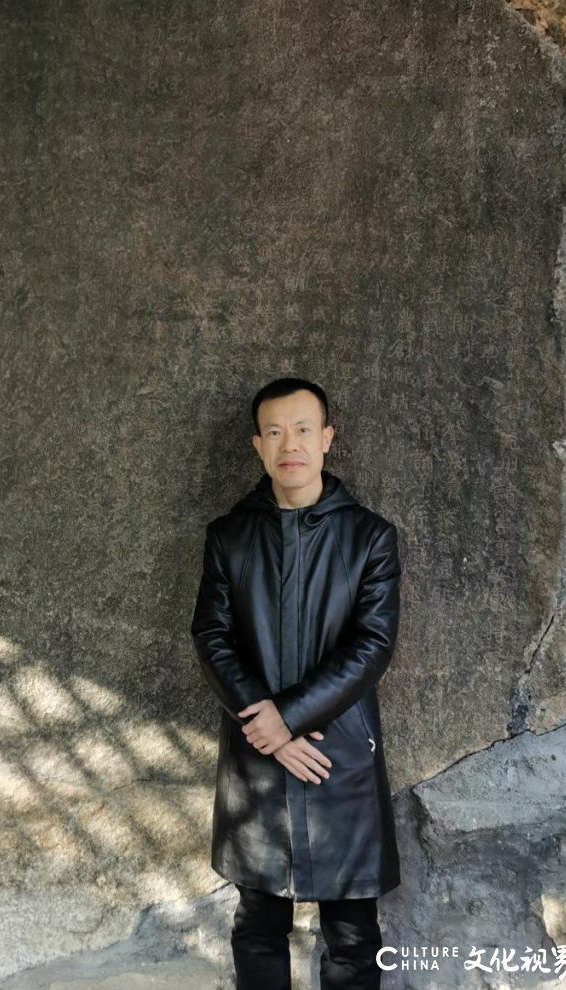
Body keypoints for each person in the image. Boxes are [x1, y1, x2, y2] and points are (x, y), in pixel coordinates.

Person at [190, 376, 403, 990]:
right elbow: (211, 636)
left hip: (339, 753)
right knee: (257, 922)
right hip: (256, 755)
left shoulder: (370, 536)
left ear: (327, 438)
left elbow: (372, 645)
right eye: (276, 432)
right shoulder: (229, 536)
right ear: (258, 445)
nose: (291, 444)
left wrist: (286, 719)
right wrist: (268, 727)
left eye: (304, 429)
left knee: (353, 933)